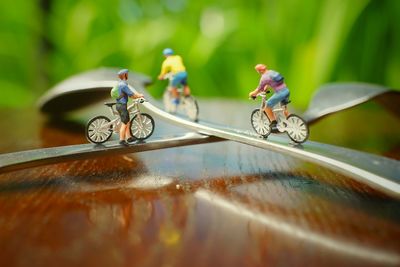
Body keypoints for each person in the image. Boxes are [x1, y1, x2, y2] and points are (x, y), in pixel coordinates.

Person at [249, 64, 290, 132]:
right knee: (284, 109)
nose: (258, 72)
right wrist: (266, 88)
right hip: (286, 91)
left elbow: (258, 90)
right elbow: (269, 82)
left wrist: (251, 94)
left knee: (267, 106)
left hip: (280, 93)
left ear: (260, 71)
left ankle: (273, 123)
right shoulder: (271, 72)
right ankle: (291, 121)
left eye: (257, 71)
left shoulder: (264, 78)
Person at [115, 69, 144, 145]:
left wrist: (137, 94)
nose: (128, 75)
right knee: (124, 123)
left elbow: (130, 92)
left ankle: (129, 137)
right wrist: (139, 96)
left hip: (119, 105)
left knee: (127, 121)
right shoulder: (124, 85)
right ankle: (121, 140)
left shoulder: (119, 84)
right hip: (122, 106)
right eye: (127, 74)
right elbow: (132, 95)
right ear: (124, 75)